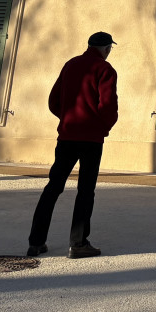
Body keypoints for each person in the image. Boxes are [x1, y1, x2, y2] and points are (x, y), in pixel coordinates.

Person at [27, 31, 119, 259]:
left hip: (67, 136)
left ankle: (36, 242)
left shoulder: (70, 64)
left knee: (53, 187)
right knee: (86, 190)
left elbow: (53, 100)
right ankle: (78, 243)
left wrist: (66, 118)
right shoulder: (105, 69)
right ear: (106, 49)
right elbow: (107, 105)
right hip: (91, 140)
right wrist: (102, 127)